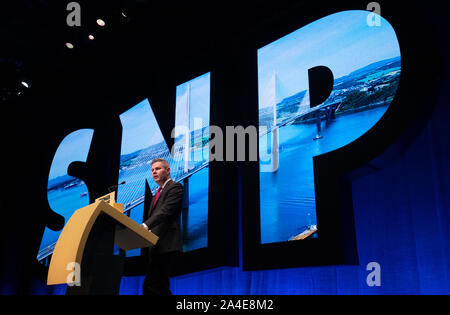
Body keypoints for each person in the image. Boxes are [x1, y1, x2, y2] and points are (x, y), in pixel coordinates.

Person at [141, 158, 184, 295]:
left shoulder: (175, 187)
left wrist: (145, 225)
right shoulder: (155, 196)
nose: (154, 172)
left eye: (158, 169)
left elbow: (165, 211)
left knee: (151, 286)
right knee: (161, 288)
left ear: (168, 170)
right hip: (155, 247)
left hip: (167, 245)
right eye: (152, 170)